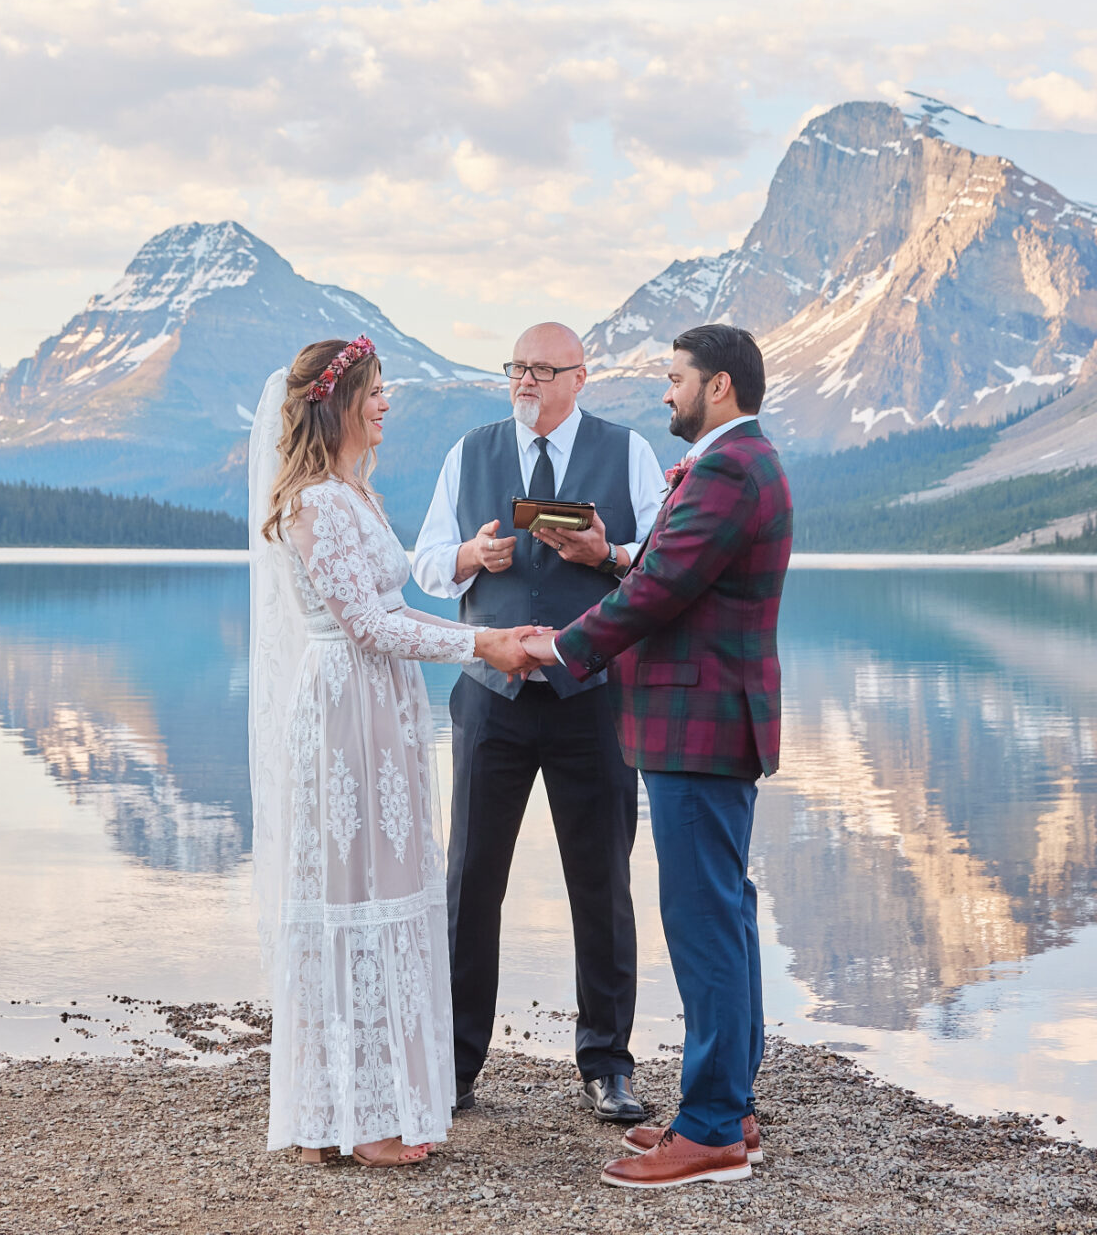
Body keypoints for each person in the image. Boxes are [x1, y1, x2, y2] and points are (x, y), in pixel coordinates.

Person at [247, 332, 535, 1165]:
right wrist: (480, 645)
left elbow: (393, 608)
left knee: (386, 884)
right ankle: (349, 1120)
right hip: (345, 711)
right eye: (373, 391)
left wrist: (484, 633)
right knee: (349, 893)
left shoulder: (357, 495)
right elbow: (366, 625)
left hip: (382, 707)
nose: (385, 403)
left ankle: (350, 1110)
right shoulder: (314, 503)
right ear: (336, 403)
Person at [522, 322, 793, 1191]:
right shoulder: (739, 463)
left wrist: (554, 649)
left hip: (697, 724)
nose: (666, 392)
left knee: (703, 919)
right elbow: (668, 568)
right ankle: (731, 1109)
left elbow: (660, 590)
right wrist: (607, 554)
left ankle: (711, 1131)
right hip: (711, 723)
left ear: (719, 386)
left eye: (676, 378)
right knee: (726, 912)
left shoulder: (728, 468)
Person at [413, 321, 667, 1122]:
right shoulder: (470, 452)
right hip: (491, 696)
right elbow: (423, 563)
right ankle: (455, 1065)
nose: (524, 380)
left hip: (594, 697)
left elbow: (665, 557)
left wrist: (606, 554)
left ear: (579, 378)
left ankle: (608, 1065)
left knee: (603, 881)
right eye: (516, 368)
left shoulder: (629, 452)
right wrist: (470, 557)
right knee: (470, 881)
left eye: (541, 370)